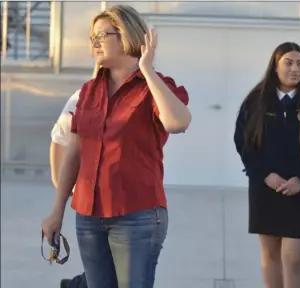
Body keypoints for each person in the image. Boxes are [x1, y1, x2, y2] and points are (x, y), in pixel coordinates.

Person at [41, 5, 191, 288]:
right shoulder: (89, 91)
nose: (94, 41)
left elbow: (177, 122)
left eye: (102, 35)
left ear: (126, 37)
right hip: (88, 216)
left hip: (137, 216)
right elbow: (74, 153)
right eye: (91, 36)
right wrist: (57, 211)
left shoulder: (154, 87)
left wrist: (146, 70)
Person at [234, 42, 300, 288]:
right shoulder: (256, 101)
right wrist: (265, 175)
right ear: (275, 67)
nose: (295, 69)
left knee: (294, 259)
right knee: (270, 257)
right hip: (266, 190)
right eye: (288, 63)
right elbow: (243, 142)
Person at [49, 65, 100, 288]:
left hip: (126, 203)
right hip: (91, 201)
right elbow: (59, 139)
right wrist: (60, 184)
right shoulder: (82, 97)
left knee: (110, 271)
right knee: (103, 272)